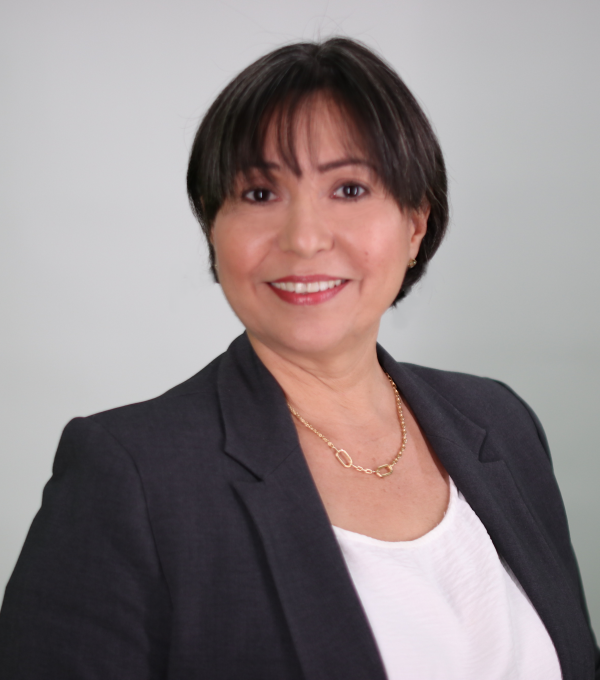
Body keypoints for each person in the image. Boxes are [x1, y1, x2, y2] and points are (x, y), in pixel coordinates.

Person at [0, 37, 597, 680]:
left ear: (416, 223)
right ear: (212, 225)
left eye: (349, 188)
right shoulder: (130, 477)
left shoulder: (501, 423)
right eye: (260, 194)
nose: (304, 238)